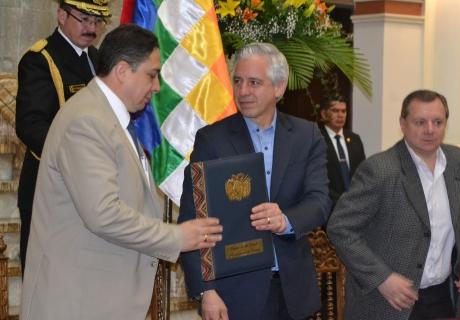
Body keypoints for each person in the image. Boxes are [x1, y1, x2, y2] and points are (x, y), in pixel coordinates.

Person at [20, 24, 223, 320]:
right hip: (78, 302)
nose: (156, 87)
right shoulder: (87, 121)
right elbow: (103, 213)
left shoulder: (110, 116)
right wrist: (176, 237)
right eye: (152, 75)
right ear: (123, 70)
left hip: (102, 298)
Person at [178, 43, 331, 320]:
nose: (243, 91)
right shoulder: (211, 140)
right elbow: (193, 217)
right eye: (238, 81)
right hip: (233, 294)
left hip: (292, 292)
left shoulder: (306, 136)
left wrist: (285, 219)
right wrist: (206, 291)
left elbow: (319, 201)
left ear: (279, 87)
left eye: (254, 82)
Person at [327, 89, 460, 320]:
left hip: (444, 297)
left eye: (437, 122)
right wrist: (382, 278)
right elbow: (340, 228)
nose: (430, 129)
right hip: (388, 302)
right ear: (403, 123)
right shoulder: (380, 170)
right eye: (420, 122)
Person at [16, 0, 111, 272]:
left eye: (98, 21)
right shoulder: (40, 59)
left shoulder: (98, 59)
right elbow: (31, 125)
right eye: (84, 19)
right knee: (48, 275)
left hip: (95, 187)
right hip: (51, 184)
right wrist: (78, 157)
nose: (91, 28)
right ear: (61, 15)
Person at [319, 95, 365, 205]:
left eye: (343, 111)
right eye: (335, 111)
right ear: (324, 113)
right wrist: (341, 201)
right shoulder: (317, 139)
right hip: (328, 205)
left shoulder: (354, 138)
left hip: (355, 205)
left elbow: (363, 172)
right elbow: (319, 179)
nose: (340, 115)